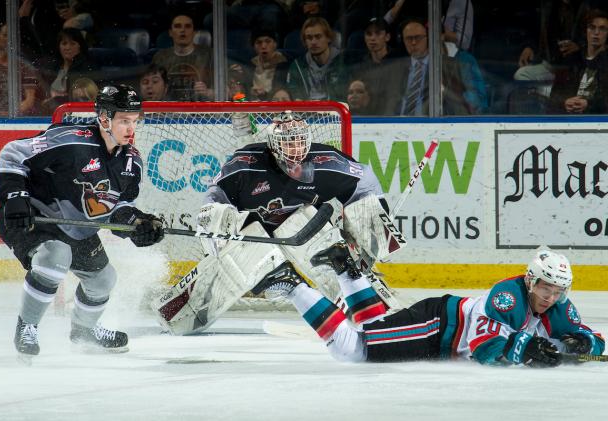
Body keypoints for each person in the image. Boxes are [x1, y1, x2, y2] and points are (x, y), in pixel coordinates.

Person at [151, 111, 405, 335]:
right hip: (252, 236)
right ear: (273, 145)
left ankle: (367, 306)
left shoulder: (325, 162)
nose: (295, 148)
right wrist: (216, 231)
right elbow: (213, 202)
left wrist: (370, 228)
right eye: (288, 142)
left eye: (298, 140)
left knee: (337, 258)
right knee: (177, 320)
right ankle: (186, 312)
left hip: (304, 226)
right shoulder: (245, 165)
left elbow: (364, 182)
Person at [0, 84, 165, 360]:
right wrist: (16, 197)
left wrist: (139, 225)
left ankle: (84, 331)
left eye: (134, 121)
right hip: (35, 217)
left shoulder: (132, 163)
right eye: (124, 120)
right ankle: (27, 326)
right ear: (104, 118)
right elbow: (13, 153)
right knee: (55, 257)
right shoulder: (72, 140)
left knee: (103, 279)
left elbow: (118, 208)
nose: (130, 128)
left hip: (76, 227)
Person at [254, 248, 605, 366]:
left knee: (376, 323)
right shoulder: (507, 296)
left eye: (557, 290)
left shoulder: (560, 306)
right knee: (352, 350)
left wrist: (584, 343)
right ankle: (294, 284)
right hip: (437, 326)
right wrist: (527, 348)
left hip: (441, 332)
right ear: (531, 280)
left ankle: (346, 268)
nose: (550, 296)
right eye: (545, 287)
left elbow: (589, 335)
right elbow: (486, 349)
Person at [381, 18, 469, 115]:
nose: (413, 43)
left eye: (418, 37)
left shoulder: (450, 65)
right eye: (409, 38)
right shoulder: (395, 68)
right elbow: (387, 104)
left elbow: (459, 104)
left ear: (428, 38)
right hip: (396, 125)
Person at [548, 9, 608, 114]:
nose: (596, 33)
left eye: (602, 29)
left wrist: (589, 104)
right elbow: (554, 96)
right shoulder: (571, 61)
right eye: (592, 27)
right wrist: (564, 102)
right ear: (585, 31)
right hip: (569, 120)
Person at [0, 22, 40, 116]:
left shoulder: (26, 67)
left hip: (14, 120)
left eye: (12, 36)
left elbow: (29, 101)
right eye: (5, 35)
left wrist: (9, 114)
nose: (9, 39)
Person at [152, 13, 214, 101]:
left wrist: (208, 92)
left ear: (194, 32)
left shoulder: (209, 55)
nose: (182, 30)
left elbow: (224, 89)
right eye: (178, 26)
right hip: (168, 109)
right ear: (170, 32)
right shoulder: (160, 57)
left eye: (187, 26)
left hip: (201, 108)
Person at [286, 17, 349, 101]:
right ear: (305, 41)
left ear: (329, 38)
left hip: (336, 112)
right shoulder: (297, 66)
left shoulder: (343, 62)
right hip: (307, 112)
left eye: (318, 37)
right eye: (309, 38)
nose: (313, 42)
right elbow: (295, 94)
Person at [40, 27, 97, 114]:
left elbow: (81, 96)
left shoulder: (87, 68)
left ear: (80, 46)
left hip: (76, 114)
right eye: (64, 43)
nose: (67, 47)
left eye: (72, 43)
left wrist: (54, 100)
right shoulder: (52, 67)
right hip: (50, 113)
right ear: (59, 46)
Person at [230, 28, 289, 101]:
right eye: (259, 42)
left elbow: (286, 89)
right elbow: (244, 90)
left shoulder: (285, 65)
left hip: (274, 107)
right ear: (254, 46)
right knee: (237, 94)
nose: (263, 46)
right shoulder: (249, 65)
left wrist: (266, 94)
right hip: (252, 107)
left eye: (268, 41)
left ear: (275, 44)